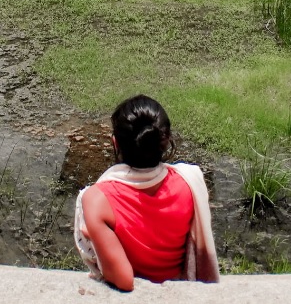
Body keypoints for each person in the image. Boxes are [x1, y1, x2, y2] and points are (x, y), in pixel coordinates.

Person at [74, 94, 219, 291]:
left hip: (138, 301)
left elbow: (124, 280)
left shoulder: (97, 200)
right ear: (165, 140)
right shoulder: (189, 181)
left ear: (115, 143)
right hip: (180, 289)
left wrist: (93, 231)